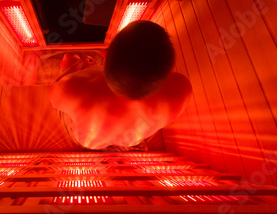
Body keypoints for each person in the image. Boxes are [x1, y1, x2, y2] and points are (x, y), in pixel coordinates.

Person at [49, 20, 192, 150]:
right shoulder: (181, 89)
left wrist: (82, 63)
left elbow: (53, 92)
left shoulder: (74, 87)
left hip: (91, 141)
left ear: (105, 54)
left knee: (70, 58)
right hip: (130, 139)